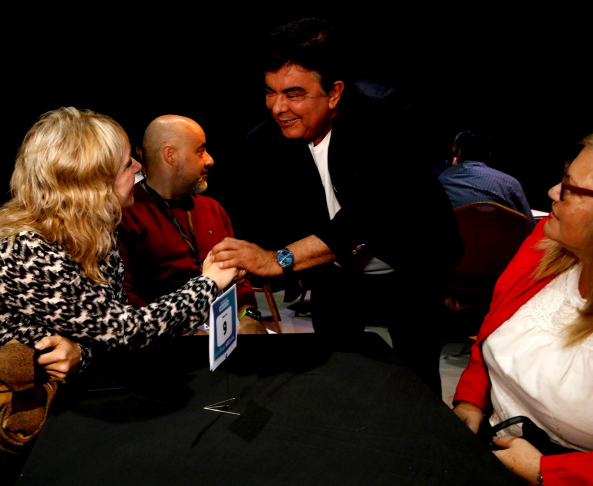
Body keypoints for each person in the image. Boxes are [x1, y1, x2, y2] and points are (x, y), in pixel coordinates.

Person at [0, 107, 238, 486]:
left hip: (24, 417)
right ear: (90, 183)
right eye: (125, 164)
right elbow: (125, 332)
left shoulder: (94, 235)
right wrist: (208, 283)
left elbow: (102, 335)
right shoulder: (25, 249)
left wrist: (81, 352)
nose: (138, 167)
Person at [210, 16, 463, 397]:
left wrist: (278, 259)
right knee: (333, 374)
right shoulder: (265, 140)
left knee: (417, 377)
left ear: (334, 93)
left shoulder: (385, 116)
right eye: (270, 92)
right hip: (335, 272)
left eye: (294, 94)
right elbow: (268, 216)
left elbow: (367, 216)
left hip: (411, 265)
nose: (277, 107)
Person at [452, 133, 593, 485]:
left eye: (569, 187)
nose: (552, 192)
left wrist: (547, 471)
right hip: (493, 438)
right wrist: (471, 399)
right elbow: (494, 325)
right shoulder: (546, 239)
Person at [118, 114, 267, 334]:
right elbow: (123, 298)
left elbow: (240, 278)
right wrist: (184, 332)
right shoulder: (125, 215)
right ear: (170, 155)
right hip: (158, 339)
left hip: (223, 333)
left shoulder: (213, 209)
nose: (210, 160)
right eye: (200, 151)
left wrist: (248, 316)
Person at [438, 130, 536, 226]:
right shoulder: (509, 183)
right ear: (489, 154)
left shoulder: (442, 180)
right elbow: (528, 224)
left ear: (458, 152)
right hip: (500, 236)